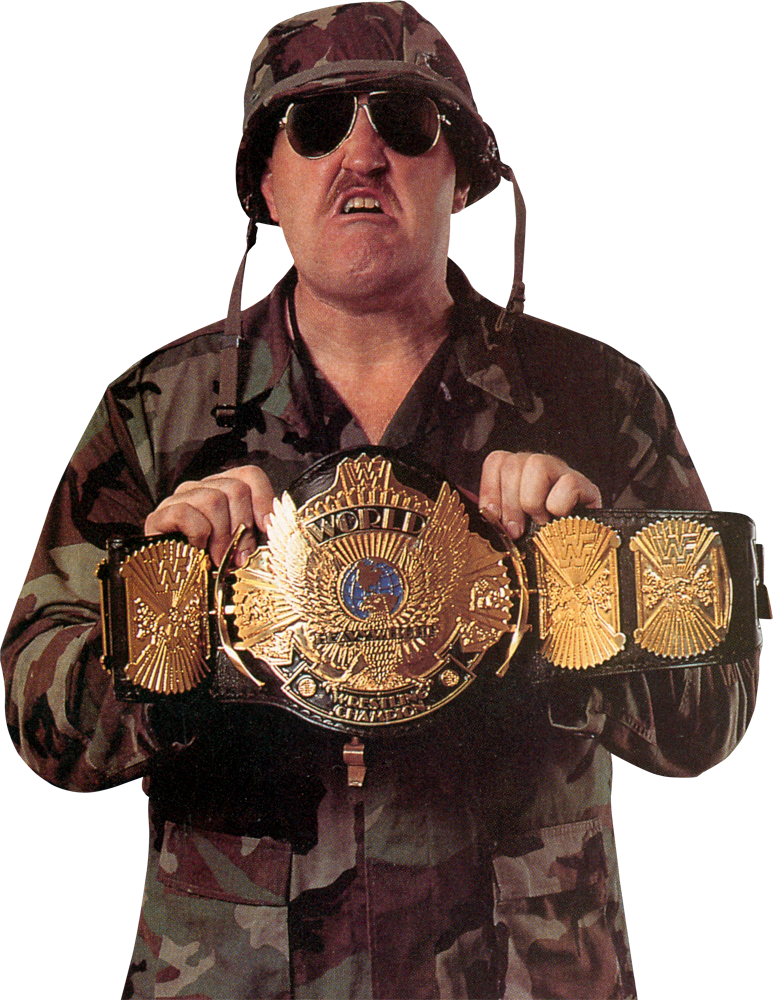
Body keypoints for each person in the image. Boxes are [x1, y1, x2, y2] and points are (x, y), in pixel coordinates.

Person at [1, 4, 756, 999]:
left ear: (461, 176)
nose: (361, 153)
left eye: (404, 122)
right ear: (265, 184)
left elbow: (707, 723)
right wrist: (170, 610)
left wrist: (585, 578)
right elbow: (41, 723)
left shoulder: (596, 401)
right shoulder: (156, 412)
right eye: (315, 125)